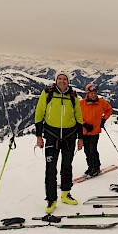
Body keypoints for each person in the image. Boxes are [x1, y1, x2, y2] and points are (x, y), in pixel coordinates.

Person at [35, 70, 84, 214]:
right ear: (56, 80)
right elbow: (39, 113)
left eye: (65, 79)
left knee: (67, 166)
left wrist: (80, 138)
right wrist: (39, 136)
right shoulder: (47, 93)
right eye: (60, 79)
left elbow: (79, 117)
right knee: (51, 168)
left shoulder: (73, 96)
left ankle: (65, 193)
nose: (62, 81)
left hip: (69, 135)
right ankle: (51, 199)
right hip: (51, 135)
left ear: (68, 81)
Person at [79, 83, 112, 176]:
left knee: (92, 149)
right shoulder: (81, 103)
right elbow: (77, 115)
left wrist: (104, 119)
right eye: (91, 93)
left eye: (95, 93)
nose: (93, 95)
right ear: (87, 94)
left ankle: (96, 167)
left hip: (95, 131)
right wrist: (84, 124)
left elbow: (109, 109)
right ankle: (90, 167)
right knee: (87, 150)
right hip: (85, 131)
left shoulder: (101, 102)